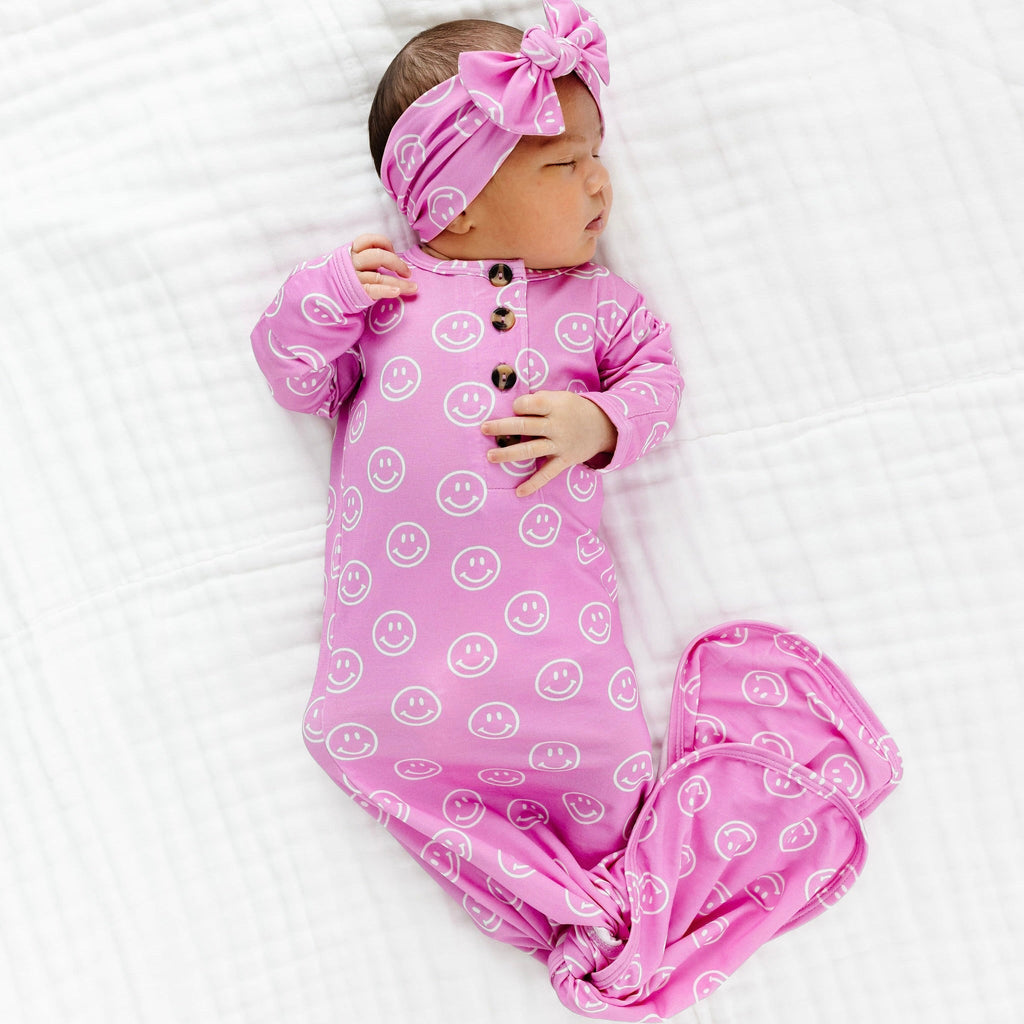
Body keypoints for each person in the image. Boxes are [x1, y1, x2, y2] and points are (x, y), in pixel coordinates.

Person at [251, 2, 901, 1018]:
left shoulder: (598, 306)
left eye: (597, 156)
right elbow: (296, 378)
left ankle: (598, 907)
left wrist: (598, 422)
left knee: (605, 784)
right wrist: (319, 296)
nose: (600, 183)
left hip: (554, 657)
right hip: (396, 662)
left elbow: (657, 385)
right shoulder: (384, 299)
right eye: (564, 164)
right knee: (351, 737)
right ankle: (579, 912)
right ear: (456, 203)